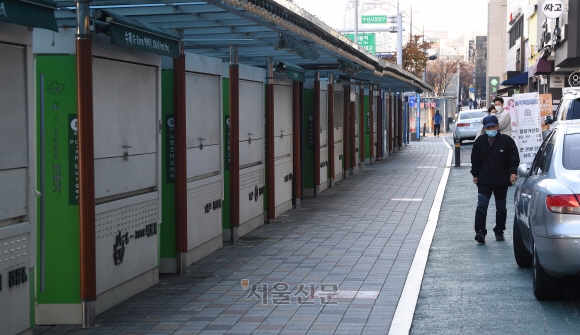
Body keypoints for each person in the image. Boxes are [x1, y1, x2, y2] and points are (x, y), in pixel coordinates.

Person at [471, 115, 520, 244]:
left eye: (493, 126)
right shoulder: (479, 142)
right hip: (484, 179)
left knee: (501, 207)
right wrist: (475, 174)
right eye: (488, 127)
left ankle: (499, 230)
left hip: (501, 179)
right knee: (482, 204)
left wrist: (513, 172)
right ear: (485, 128)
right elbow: (475, 160)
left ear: (498, 126)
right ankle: (480, 232)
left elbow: (514, 158)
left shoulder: (507, 141)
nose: (491, 129)